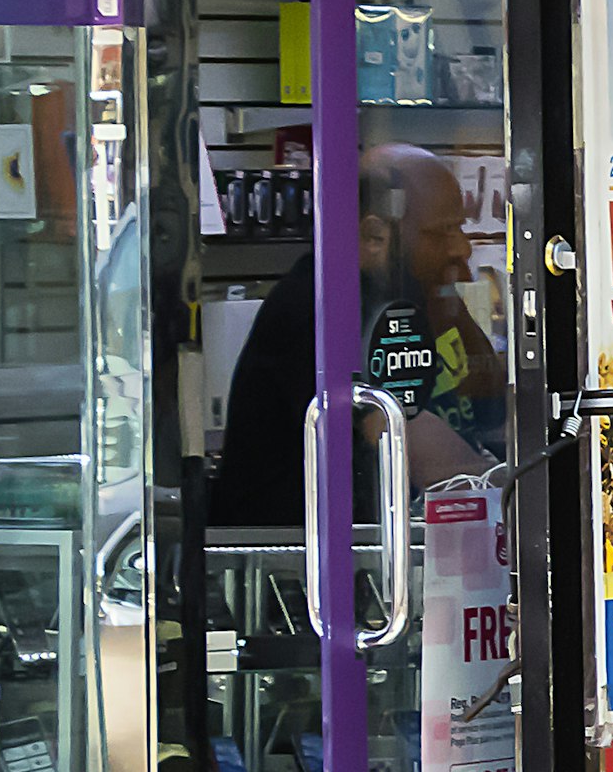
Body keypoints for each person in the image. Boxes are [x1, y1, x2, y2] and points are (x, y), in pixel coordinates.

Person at [212, 142, 497, 527]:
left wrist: (447, 299)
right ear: (374, 237)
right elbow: (414, 444)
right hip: (303, 570)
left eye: (460, 228)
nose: (462, 247)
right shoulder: (322, 307)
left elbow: (493, 411)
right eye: (442, 232)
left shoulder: (412, 293)